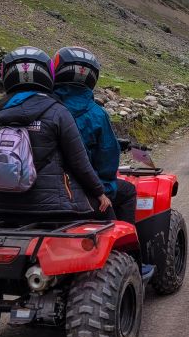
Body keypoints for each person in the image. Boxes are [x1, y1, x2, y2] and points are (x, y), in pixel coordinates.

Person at [0, 46, 112, 221]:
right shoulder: (57, 111)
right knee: (108, 212)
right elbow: (79, 161)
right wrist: (100, 192)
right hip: (48, 207)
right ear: (48, 73)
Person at [52, 46, 137, 224]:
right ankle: (129, 248)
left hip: (43, 190)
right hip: (82, 192)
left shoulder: (45, 107)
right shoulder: (97, 114)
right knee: (128, 191)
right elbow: (107, 161)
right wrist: (104, 190)